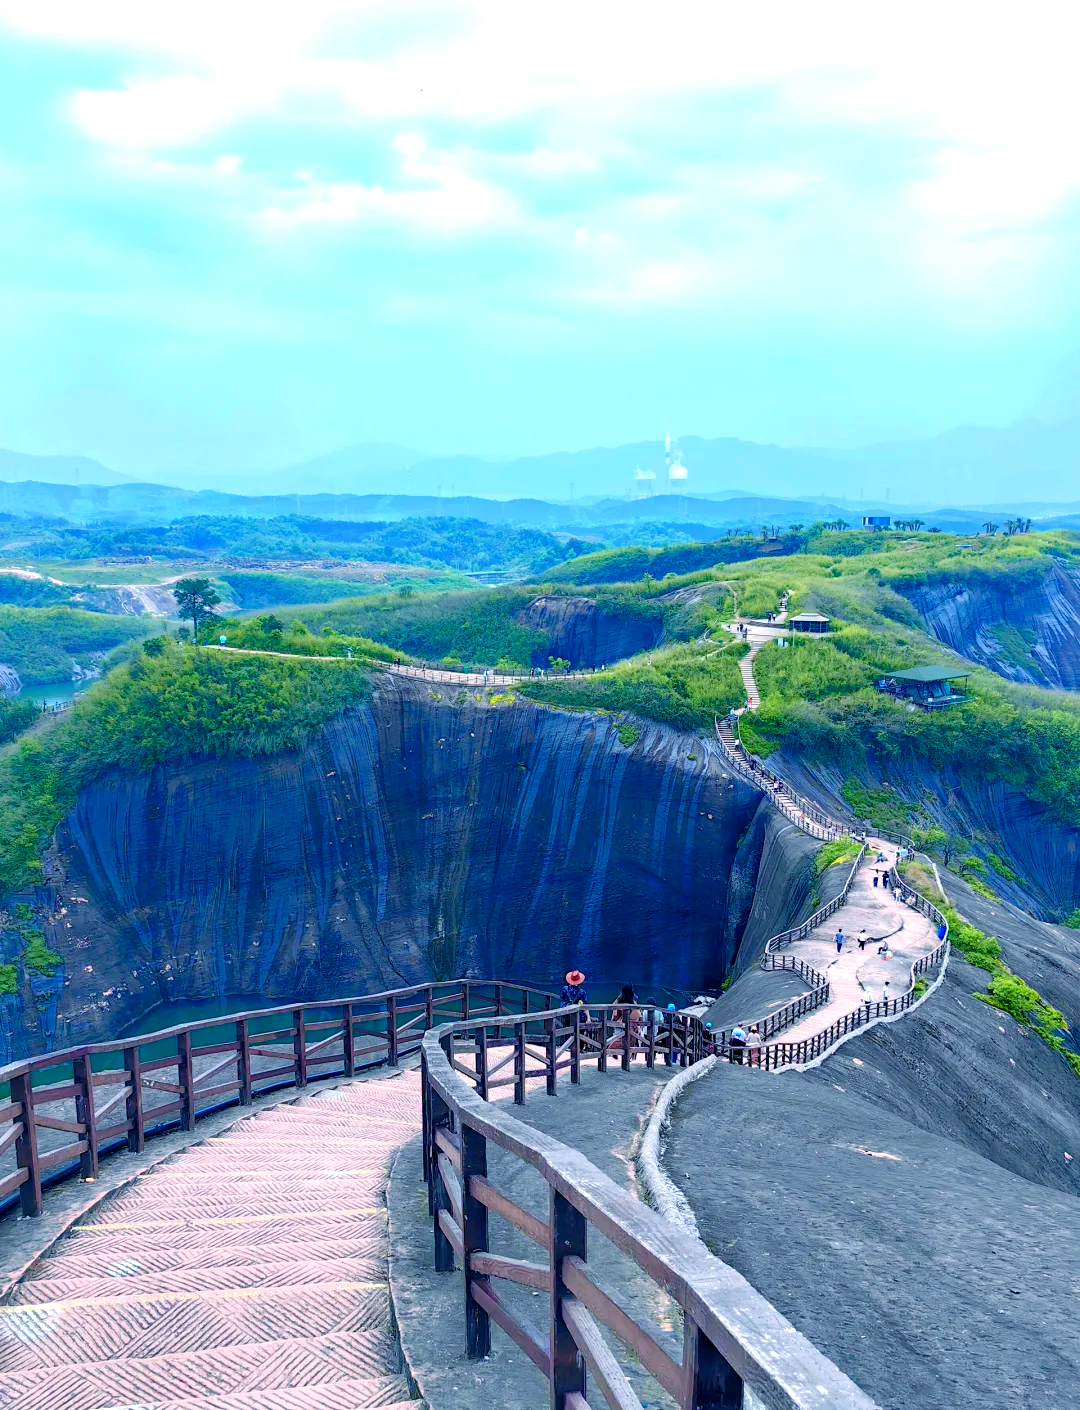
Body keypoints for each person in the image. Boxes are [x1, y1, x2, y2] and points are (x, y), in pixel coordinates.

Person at [611, 983, 642, 1056]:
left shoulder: (619, 999)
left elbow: (614, 1010)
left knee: (617, 1038)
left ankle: (613, 1051)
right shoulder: (632, 1001)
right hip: (630, 1024)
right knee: (628, 1041)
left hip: (619, 1022)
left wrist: (614, 1020)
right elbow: (637, 1015)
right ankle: (626, 1057)